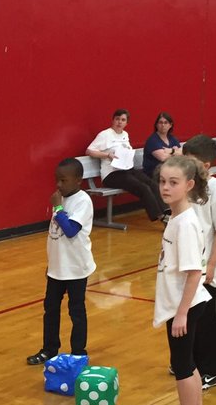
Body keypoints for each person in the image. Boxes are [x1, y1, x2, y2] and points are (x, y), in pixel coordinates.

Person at [151, 155, 212, 405]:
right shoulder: (177, 217)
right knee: (188, 362)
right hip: (186, 304)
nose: (165, 187)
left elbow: (194, 272)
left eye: (173, 182)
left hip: (185, 305)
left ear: (188, 185)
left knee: (182, 367)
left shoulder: (185, 224)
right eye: (163, 181)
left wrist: (181, 314)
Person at [26, 158, 96, 365]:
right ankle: (49, 349)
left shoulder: (83, 201)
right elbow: (55, 238)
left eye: (63, 180)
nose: (58, 184)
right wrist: (52, 264)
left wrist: (57, 208)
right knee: (50, 309)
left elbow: (71, 230)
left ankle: (78, 353)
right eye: (57, 179)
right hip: (57, 268)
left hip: (76, 268)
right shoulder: (61, 198)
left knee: (76, 310)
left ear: (78, 180)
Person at [182, 135, 216, 390]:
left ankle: (212, 369)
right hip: (188, 266)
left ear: (206, 165)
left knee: (210, 321)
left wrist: (211, 265)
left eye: (190, 161)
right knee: (191, 317)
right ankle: (189, 362)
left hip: (208, 269)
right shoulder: (185, 185)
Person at [87, 109, 166, 222]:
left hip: (127, 169)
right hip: (112, 174)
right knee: (143, 187)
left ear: (126, 123)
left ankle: (166, 211)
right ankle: (161, 217)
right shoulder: (104, 135)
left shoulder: (125, 135)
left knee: (152, 183)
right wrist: (107, 155)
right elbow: (89, 151)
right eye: (117, 119)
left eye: (123, 120)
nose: (119, 122)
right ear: (113, 120)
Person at [142, 112, 182, 177]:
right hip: (154, 175)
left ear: (170, 125)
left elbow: (182, 153)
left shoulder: (172, 138)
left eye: (166, 123)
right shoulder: (153, 140)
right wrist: (175, 152)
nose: (163, 125)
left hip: (170, 171)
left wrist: (171, 151)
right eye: (160, 122)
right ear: (156, 125)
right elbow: (163, 158)